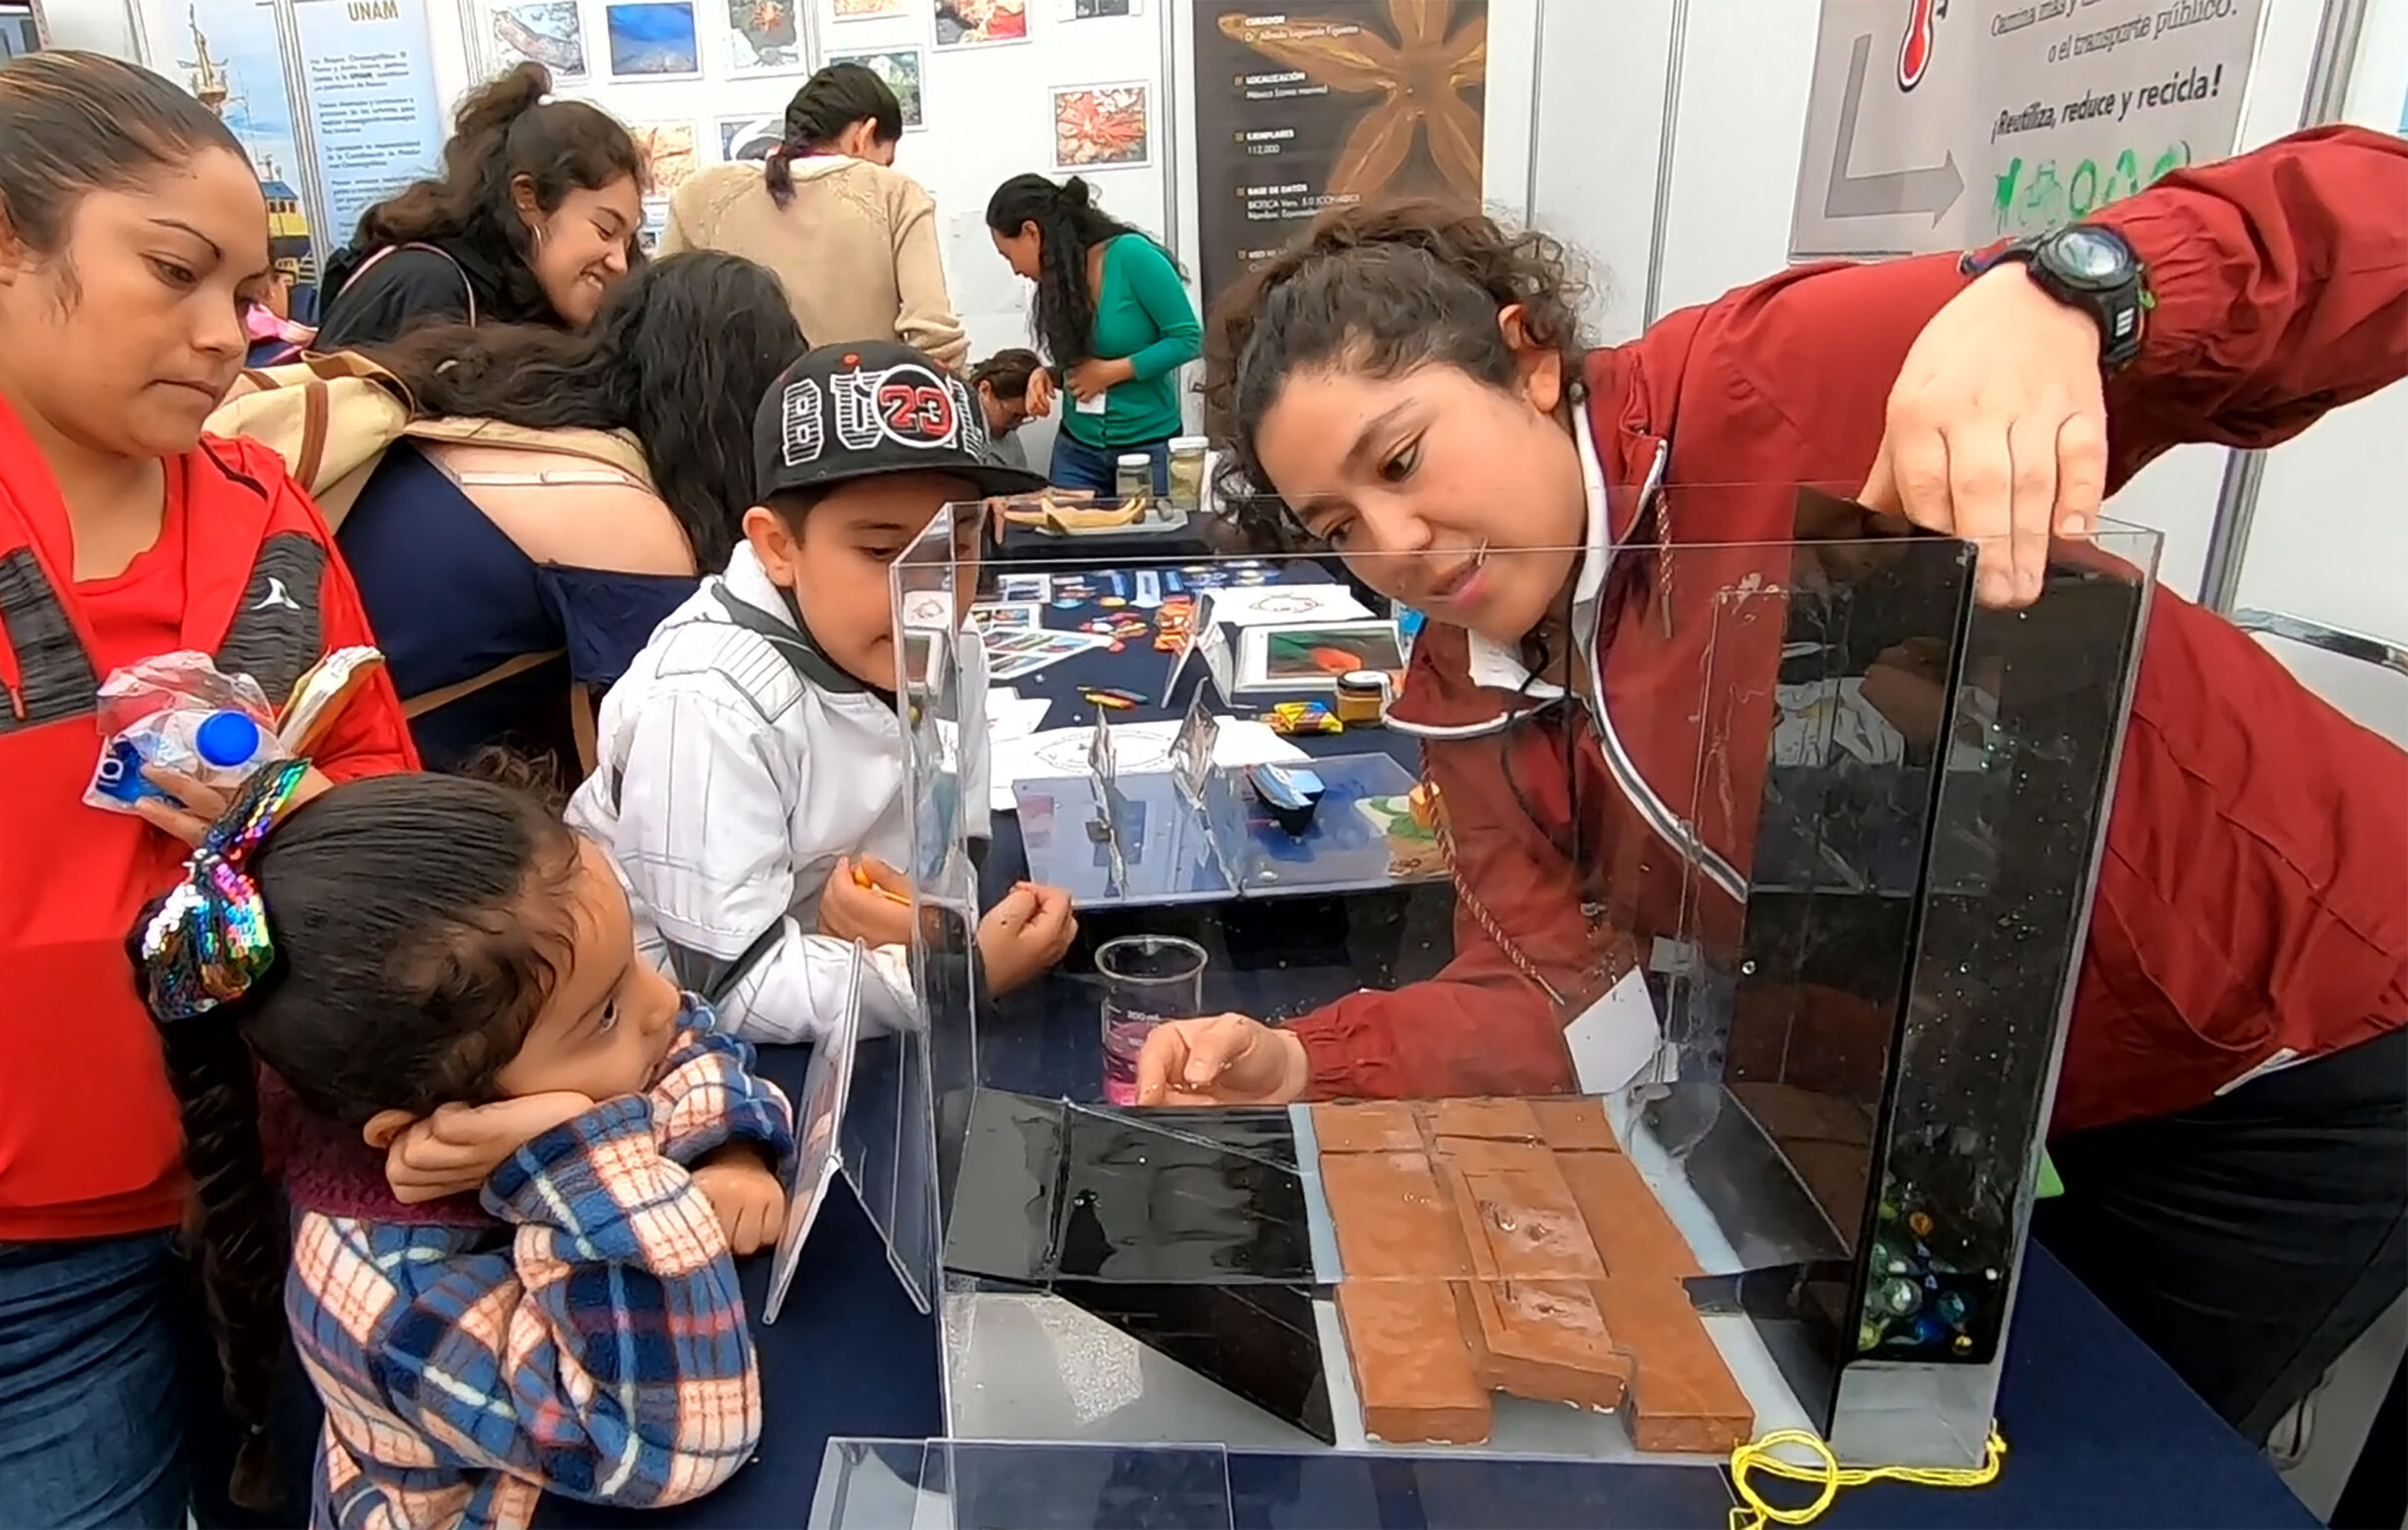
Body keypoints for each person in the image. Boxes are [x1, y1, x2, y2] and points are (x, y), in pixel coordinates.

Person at [1137, 128, 2408, 1452]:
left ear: (1527, 354)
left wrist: (2083, 289)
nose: (1393, 546)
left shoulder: (1780, 382)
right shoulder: (1469, 691)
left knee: (2142, 1456)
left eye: (1401, 460)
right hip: (1974, 1114)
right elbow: (1550, 983)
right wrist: (1306, 1057)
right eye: (1339, 525)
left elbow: (2361, 219)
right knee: (1950, 1445)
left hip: (2296, 1044)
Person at [0, 53, 417, 1526]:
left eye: (245, 289)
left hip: (300, 1198)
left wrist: (299, 828)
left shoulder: (266, 513)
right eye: (174, 272)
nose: (226, 336)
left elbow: (386, 814)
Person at [133, 763, 792, 1530]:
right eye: (606, 1012)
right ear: (436, 1118)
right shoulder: (382, 1293)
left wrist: (728, 1151)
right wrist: (572, 1160)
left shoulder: (547, 1039)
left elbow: (687, 1042)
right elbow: (677, 1442)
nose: (663, 1002)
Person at [566, 340, 1077, 1044]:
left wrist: (930, 922)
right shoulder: (704, 702)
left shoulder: (951, 646)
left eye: (957, 545)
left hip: (851, 980)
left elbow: (957, 847)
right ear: (778, 546)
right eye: (880, 551)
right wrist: (953, 973)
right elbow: (725, 984)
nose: (926, 592)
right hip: (674, 1044)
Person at [329, 251, 807, 777]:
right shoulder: (626, 517)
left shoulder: (511, 415)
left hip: (303, 721)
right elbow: (664, 754)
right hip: (368, 778)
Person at [310, 63, 643, 352]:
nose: (619, 263)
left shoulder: (518, 302)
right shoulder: (427, 288)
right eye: (605, 230)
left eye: (626, 243)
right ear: (528, 198)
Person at [662, 63, 965, 370]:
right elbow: (935, 339)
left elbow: (654, 330)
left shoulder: (700, 194)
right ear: (864, 134)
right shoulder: (894, 194)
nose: (882, 170)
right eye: (884, 160)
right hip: (857, 411)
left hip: (733, 416)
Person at [985, 174, 1200, 496]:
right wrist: (1048, 375)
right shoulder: (1060, 276)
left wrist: (1111, 373)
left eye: (1008, 254)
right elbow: (1083, 364)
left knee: (1148, 543)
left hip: (1146, 449)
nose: (1013, 268)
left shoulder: (1131, 256)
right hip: (1077, 450)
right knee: (1067, 542)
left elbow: (1189, 339)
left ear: (1031, 232)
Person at [970, 347, 1043, 473]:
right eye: (1013, 415)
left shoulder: (1011, 440)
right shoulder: (956, 435)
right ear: (985, 390)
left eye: (1023, 418)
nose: (1015, 426)